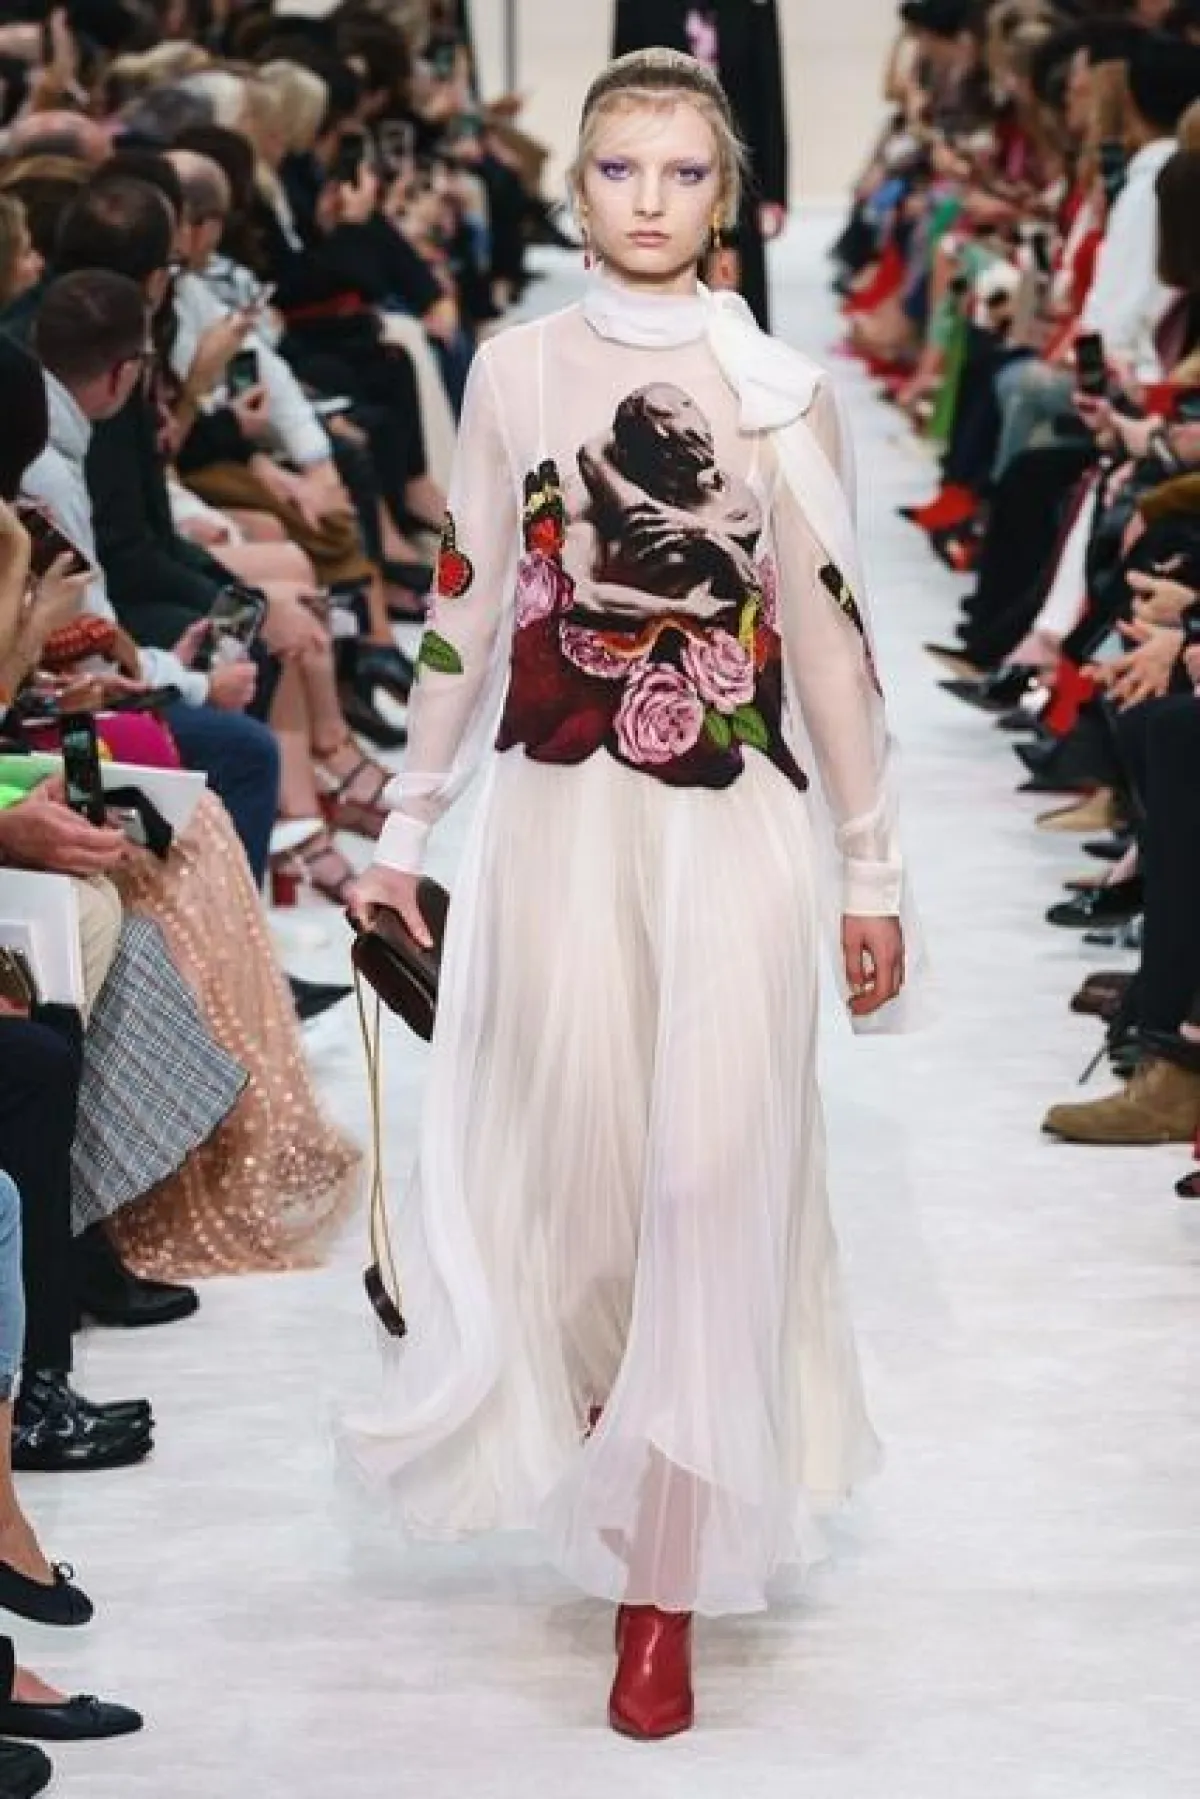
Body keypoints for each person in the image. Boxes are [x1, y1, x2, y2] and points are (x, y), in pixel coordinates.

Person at [346, 48, 913, 1740]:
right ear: (577, 188)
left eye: (681, 171)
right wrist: (403, 826)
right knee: (586, 1201)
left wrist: (872, 866)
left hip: (731, 828)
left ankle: (661, 1582)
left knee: (705, 1182)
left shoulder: (781, 392)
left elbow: (834, 642)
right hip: (558, 826)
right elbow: (465, 600)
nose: (649, 199)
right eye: (619, 168)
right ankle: (621, 1414)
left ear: (724, 198)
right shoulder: (516, 371)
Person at [612, 0, 789, 329]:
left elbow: (768, 94)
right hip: (659, 161)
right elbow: (620, 90)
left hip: (735, 165)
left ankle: (728, 354)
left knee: (732, 295)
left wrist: (775, 191)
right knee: (666, 282)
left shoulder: (752, 7)